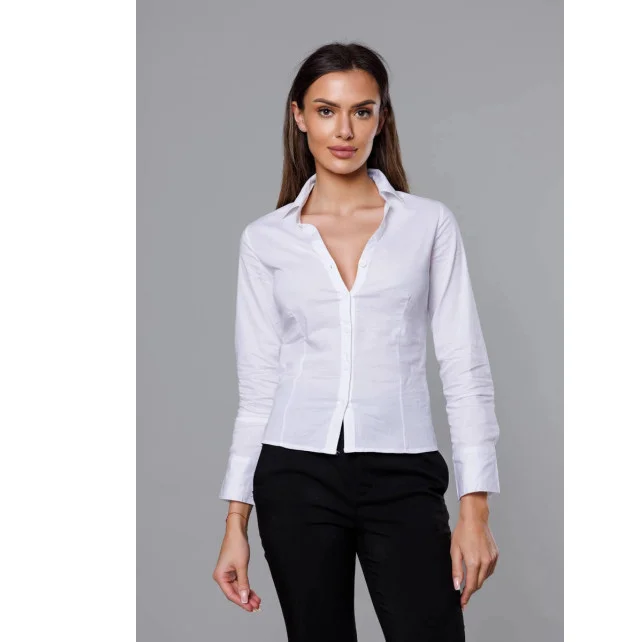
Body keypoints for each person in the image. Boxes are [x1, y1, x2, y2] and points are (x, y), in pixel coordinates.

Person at [212, 42, 501, 642]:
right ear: (299, 116)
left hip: (403, 473)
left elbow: (464, 367)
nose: (343, 130)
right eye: (326, 111)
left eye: (361, 111)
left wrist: (475, 507)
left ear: (381, 118)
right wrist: (236, 520)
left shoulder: (428, 224)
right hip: (294, 475)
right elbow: (259, 385)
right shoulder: (265, 240)